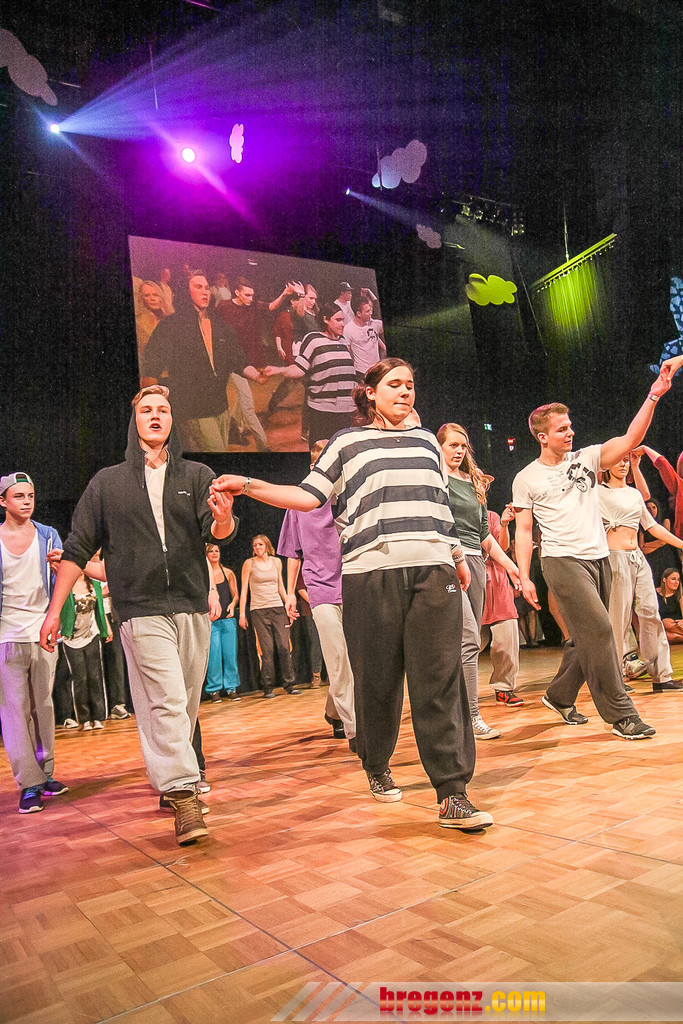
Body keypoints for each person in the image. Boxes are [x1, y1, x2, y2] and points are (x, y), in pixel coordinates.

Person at [211, 358, 493, 832]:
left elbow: (439, 504)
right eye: (394, 384)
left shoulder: (428, 442)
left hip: (433, 570)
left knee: (440, 679)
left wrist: (457, 557)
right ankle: (377, 764)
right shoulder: (346, 442)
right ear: (370, 392)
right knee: (378, 681)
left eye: (410, 384)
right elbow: (308, 497)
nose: (405, 391)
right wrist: (249, 485)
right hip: (370, 574)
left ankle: (452, 792)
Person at [40, 385, 237, 845]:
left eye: (163, 410)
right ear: (135, 421)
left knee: (183, 706)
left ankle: (171, 780)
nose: (155, 416)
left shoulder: (198, 474)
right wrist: (53, 612)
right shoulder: (106, 483)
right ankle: (184, 795)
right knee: (166, 700)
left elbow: (218, 532)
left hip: (190, 605)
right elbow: (77, 549)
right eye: (146, 410)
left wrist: (224, 517)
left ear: (171, 420)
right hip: (140, 610)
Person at [512, 371, 671, 741]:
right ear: (542, 436)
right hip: (561, 561)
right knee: (601, 630)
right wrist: (523, 575)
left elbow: (631, 439)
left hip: (599, 558)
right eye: (562, 429)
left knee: (585, 638)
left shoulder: (587, 458)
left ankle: (559, 695)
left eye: (570, 426)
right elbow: (523, 531)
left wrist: (653, 395)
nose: (570, 432)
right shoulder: (527, 477)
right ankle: (621, 715)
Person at [437, 423, 520, 739]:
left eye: (463, 446)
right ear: (439, 447)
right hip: (448, 564)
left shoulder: (473, 483)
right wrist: (455, 557)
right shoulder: (436, 480)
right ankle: (471, 715)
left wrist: (510, 566)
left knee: (464, 643)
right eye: (452, 445)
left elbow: (484, 533)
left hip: (476, 563)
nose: (459, 451)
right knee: (469, 638)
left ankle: (455, 713)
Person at [277, 438, 356, 747]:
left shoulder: (352, 498)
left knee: (354, 659)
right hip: (321, 588)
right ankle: (355, 729)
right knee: (337, 659)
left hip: (355, 585)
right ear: (315, 467)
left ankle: (334, 711)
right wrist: (290, 594)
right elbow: (292, 552)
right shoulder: (299, 503)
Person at [0, 472, 68, 814]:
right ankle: (29, 782)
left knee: (43, 705)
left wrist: (59, 570)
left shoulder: (48, 535)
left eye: (30, 495)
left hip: (41, 632)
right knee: (15, 711)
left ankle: (45, 773)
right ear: (3, 501)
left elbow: (63, 580)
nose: (27, 501)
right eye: (19, 496)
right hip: (7, 635)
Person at [141, 272, 264, 452]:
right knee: (215, 450)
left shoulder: (219, 324)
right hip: (193, 409)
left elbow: (236, 357)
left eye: (206, 288)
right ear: (186, 291)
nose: (205, 292)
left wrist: (257, 375)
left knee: (220, 450)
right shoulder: (171, 325)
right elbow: (152, 366)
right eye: (198, 287)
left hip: (220, 406)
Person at [599, 456, 683, 692]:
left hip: (637, 558)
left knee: (650, 613)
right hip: (614, 558)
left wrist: (680, 543)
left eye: (626, 460)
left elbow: (652, 526)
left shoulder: (634, 494)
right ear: (606, 465)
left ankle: (661, 676)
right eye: (618, 460)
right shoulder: (598, 493)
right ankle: (614, 679)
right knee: (618, 619)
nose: (623, 464)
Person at [216, 276, 303, 451]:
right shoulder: (224, 307)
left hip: (246, 361)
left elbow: (271, 306)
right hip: (229, 361)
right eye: (247, 295)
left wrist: (284, 293)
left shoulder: (254, 306)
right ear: (237, 292)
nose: (250, 298)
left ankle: (235, 428)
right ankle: (262, 445)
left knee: (242, 399)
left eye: (252, 295)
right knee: (247, 404)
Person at [263, 302, 359, 445]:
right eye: (338, 320)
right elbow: (300, 368)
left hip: (347, 411)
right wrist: (280, 370)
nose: (342, 324)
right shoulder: (313, 339)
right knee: (321, 452)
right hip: (323, 410)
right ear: (325, 320)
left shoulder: (344, 342)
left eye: (343, 320)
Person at [239, 535, 300, 698]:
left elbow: (280, 586)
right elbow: (244, 589)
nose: (257, 547)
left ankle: (289, 684)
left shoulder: (276, 562)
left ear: (267, 546)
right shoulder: (249, 564)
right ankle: (267, 686)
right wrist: (242, 613)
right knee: (267, 649)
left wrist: (288, 605)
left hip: (277, 608)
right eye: (254, 545)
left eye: (260, 544)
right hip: (259, 610)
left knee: (284, 646)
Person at [480, 502, 524, 707]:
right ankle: (459, 690)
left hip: (497, 578)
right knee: (471, 640)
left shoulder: (491, 516)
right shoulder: (456, 512)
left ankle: (504, 687)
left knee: (507, 634)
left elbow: (503, 547)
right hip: (472, 577)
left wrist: (504, 524)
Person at [60, 571, 110, 729]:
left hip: (91, 635)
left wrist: (106, 628)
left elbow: (100, 609)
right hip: (72, 638)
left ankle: (98, 717)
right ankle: (85, 718)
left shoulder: (94, 585)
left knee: (95, 676)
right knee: (80, 679)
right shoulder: (65, 585)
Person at [205, 543, 240, 702]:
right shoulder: (204, 575)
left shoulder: (228, 573)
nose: (214, 553)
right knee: (214, 656)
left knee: (230, 655)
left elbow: (235, 595)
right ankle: (214, 689)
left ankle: (231, 687)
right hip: (212, 622)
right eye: (210, 551)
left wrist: (233, 604)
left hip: (227, 620)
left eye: (216, 551)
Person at [342, 296, 386, 376]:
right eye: (367, 311)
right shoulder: (348, 329)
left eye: (371, 310)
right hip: (361, 372)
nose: (371, 313)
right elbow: (348, 352)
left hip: (377, 370)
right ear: (358, 313)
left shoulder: (376, 324)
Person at [135, 281, 166, 361]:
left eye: (155, 295)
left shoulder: (168, 320)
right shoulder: (138, 322)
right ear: (141, 298)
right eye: (147, 295)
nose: (152, 298)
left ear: (160, 297)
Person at [656, 567, 683, 645]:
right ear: (664, 579)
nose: (676, 582)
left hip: (677, 625)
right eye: (673, 579)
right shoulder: (655, 593)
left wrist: (682, 621)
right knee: (666, 626)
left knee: (668, 625)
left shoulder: (679, 596)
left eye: (678, 580)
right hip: (662, 627)